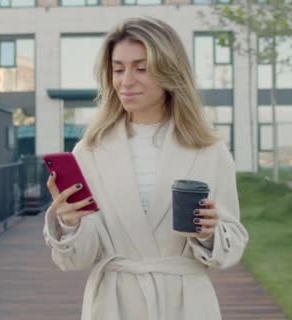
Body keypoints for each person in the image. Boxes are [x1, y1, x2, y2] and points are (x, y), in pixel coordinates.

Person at [43, 16, 249, 320]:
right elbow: (77, 259)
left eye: (141, 68)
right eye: (118, 69)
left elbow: (231, 246)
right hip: (113, 304)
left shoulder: (209, 151)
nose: (126, 81)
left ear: (169, 71)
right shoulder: (89, 150)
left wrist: (209, 232)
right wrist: (70, 224)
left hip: (186, 303)